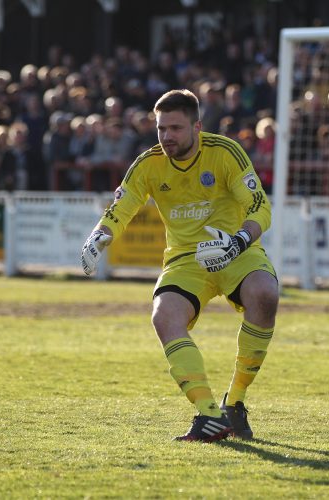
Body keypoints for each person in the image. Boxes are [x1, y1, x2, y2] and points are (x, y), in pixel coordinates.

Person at [80, 89, 279, 443]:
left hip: (236, 248)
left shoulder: (225, 153)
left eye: (175, 128)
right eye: (161, 129)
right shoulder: (148, 163)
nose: (167, 137)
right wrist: (98, 236)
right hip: (186, 258)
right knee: (164, 316)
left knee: (265, 294)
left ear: (197, 126)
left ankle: (235, 401)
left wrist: (241, 240)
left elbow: (259, 206)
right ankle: (209, 415)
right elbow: (121, 209)